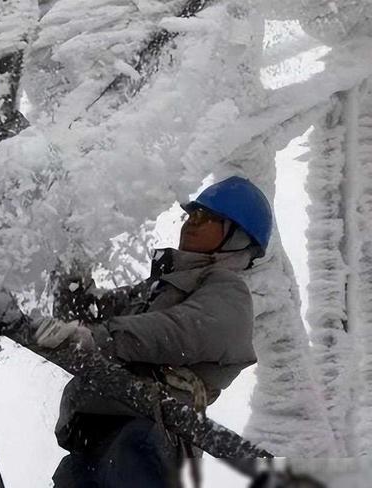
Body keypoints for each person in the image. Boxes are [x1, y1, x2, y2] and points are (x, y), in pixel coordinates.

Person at [35, 176, 273, 488]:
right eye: (191, 215)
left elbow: (181, 331)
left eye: (206, 218)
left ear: (238, 237)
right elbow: (87, 317)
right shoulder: (157, 289)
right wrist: (69, 254)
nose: (191, 223)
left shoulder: (227, 289)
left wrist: (100, 338)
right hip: (97, 434)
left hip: (149, 436)